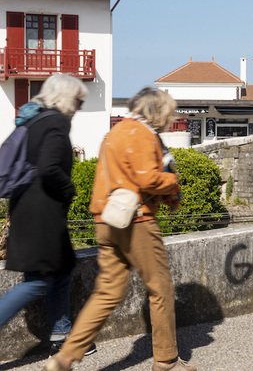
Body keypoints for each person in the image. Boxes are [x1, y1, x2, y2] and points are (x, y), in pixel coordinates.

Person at [45, 87, 196, 371]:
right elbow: (147, 178)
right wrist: (172, 183)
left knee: (108, 292)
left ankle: (65, 357)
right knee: (160, 289)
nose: (170, 118)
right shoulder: (141, 134)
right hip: (136, 221)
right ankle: (166, 361)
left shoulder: (115, 132)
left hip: (106, 219)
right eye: (168, 112)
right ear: (158, 112)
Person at [0, 74, 94, 356]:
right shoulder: (55, 122)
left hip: (27, 210)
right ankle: (61, 336)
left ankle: (61, 335)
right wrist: (70, 190)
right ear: (67, 98)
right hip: (42, 215)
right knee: (38, 281)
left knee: (62, 271)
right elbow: (49, 168)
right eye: (78, 100)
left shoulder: (34, 120)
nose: (79, 107)